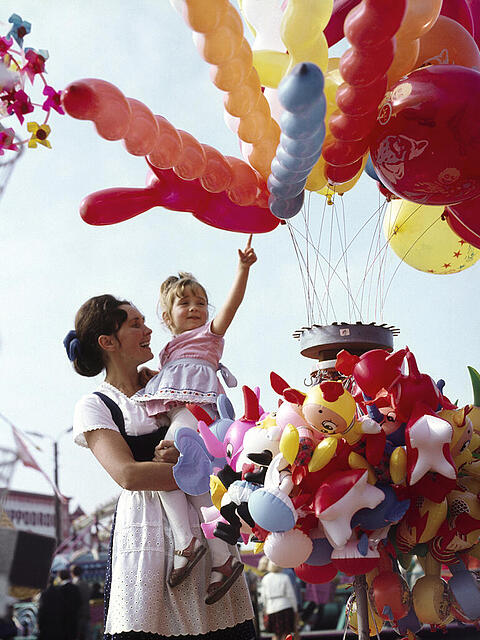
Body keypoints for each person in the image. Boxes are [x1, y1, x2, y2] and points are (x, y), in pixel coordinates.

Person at [65, 293, 255, 639]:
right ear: (107, 342)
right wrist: (203, 475)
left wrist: (210, 464)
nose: (149, 330)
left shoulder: (166, 385)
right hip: (146, 531)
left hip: (201, 527)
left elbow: (216, 437)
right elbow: (128, 474)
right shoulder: (95, 405)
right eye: (135, 324)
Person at [134, 237, 256, 599]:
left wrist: (242, 270)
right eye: (183, 303)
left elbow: (231, 307)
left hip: (199, 414)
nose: (194, 308)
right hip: (183, 414)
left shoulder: (209, 336)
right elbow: (167, 384)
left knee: (164, 461)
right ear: (167, 316)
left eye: (200, 302)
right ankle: (222, 556)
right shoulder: (169, 351)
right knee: (189, 484)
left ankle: (187, 543)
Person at [259, 561, 297, 640]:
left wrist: (265, 610)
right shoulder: (285, 577)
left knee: (276, 634)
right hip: (285, 606)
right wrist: (295, 609)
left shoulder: (265, 579)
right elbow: (291, 595)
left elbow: (263, 597)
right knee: (286, 634)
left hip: (271, 609)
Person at [70, 565, 91, 640]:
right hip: (86, 613)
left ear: (72, 573)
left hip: (77, 615)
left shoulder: (74, 585)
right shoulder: (86, 584)